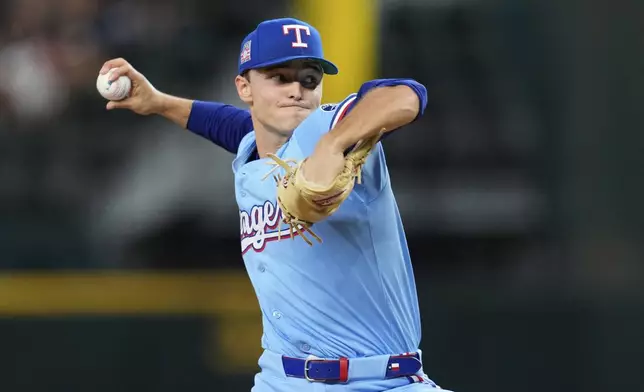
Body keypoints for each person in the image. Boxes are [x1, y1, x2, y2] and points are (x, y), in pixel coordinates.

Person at [101, 17, 449, 392]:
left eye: (309, 80)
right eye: (280, 78)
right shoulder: (252, 148)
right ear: (244, 87)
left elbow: (407, 95)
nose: (297, 90)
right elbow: (228, 125)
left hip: (383, 381)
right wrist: (158, 102)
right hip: (281, 381)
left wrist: (333, 145)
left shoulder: (329, 128)